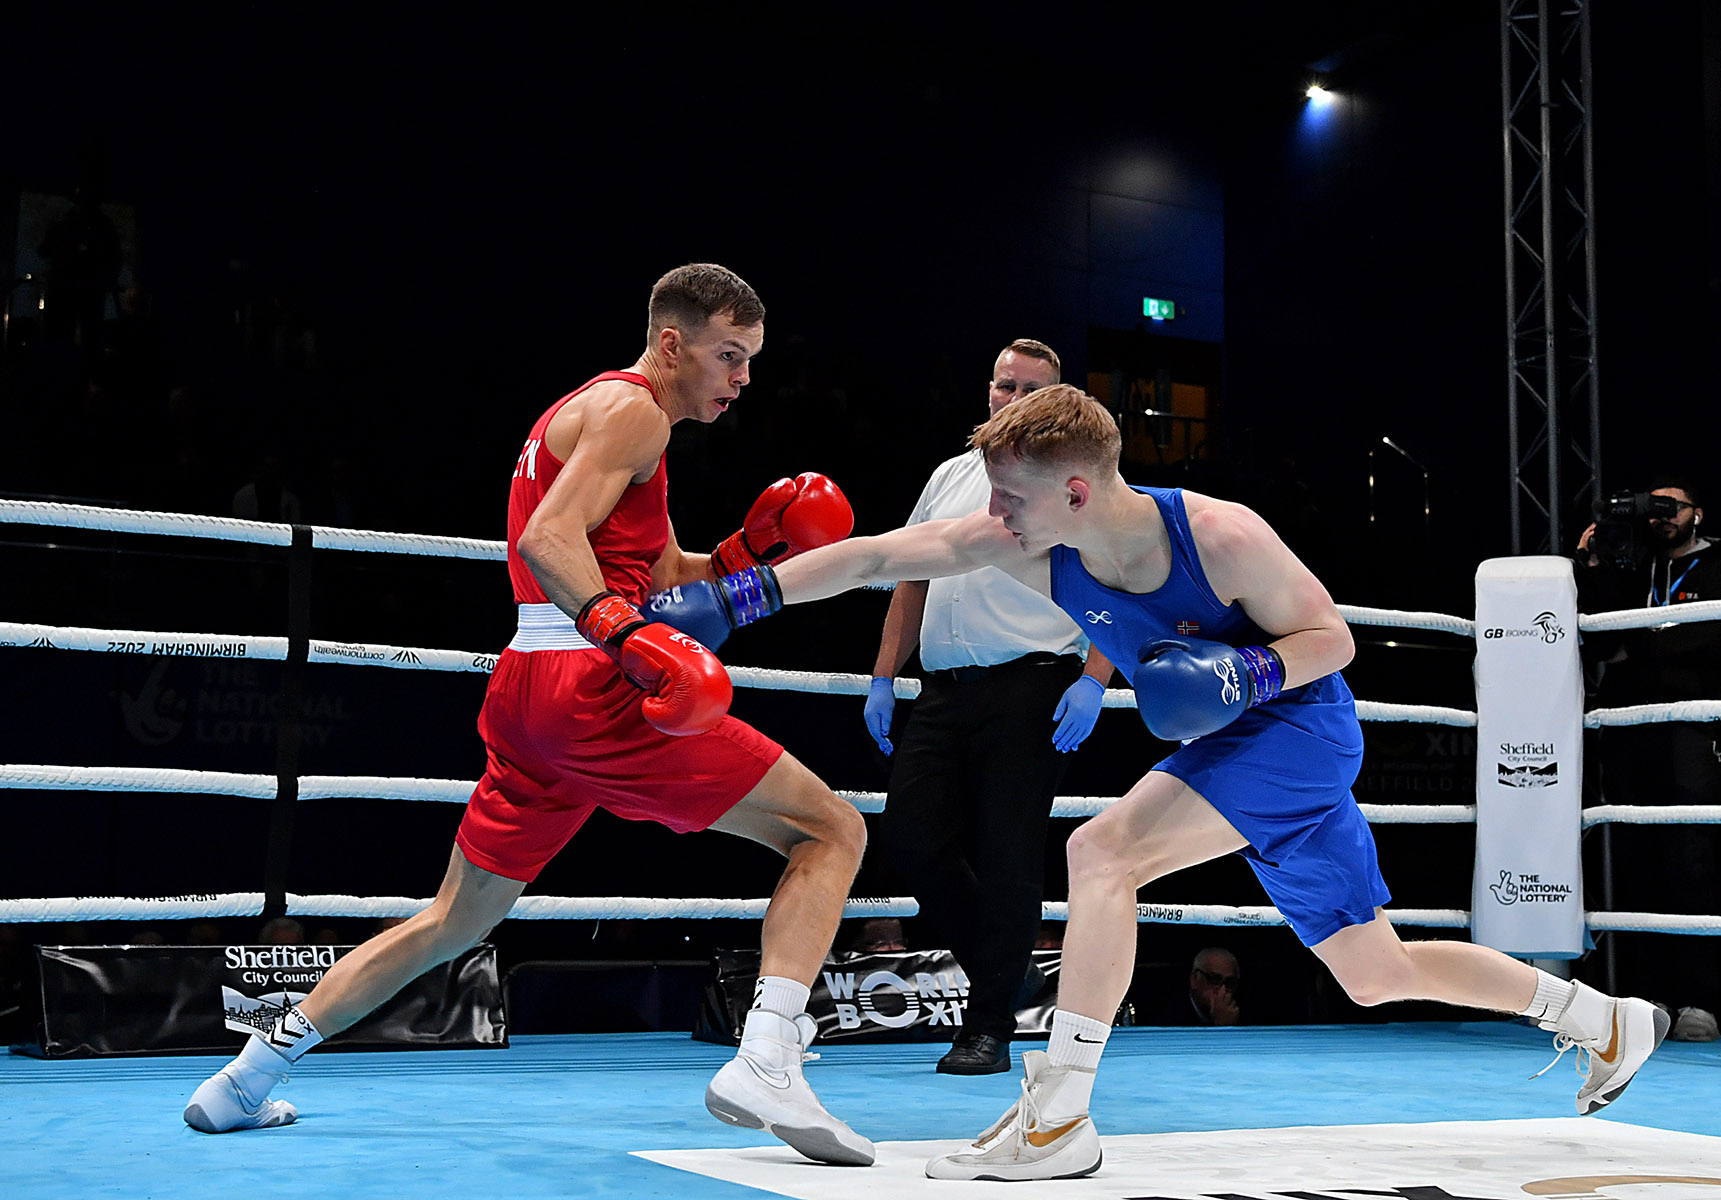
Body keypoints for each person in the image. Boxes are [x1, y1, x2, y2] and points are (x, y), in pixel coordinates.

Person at [647, 384, 1669, 1182]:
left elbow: (1333, 636)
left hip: (1297, 733)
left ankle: (1060, 1114)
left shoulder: (1220, 535)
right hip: (1249, 758)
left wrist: (1246, 669)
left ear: (1076, 490)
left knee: (1103, 851)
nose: (994, 511)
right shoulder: (1030, 548)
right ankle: (1600, 1019)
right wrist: (748, 595)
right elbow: (878, 554)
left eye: (1010, 492)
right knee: (1373, 969)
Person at [182, 263, 878, 1168]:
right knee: (831, 829)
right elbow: (544, 540)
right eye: (729, 355)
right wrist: (624, 639)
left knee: (453, 922)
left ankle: (242, 1081)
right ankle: (769, 1057)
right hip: (589, 686)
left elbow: (661, 576)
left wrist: (751, 548)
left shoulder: (613, 418)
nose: (744, 378)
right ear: (673, 343)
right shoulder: (630, 412)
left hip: (528, 690)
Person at [864, 339, 1115, 1076]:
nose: (1014, 398)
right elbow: (907, 572)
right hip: (942, 691)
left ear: (1056, 402)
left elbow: (1119, 585)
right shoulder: (949, 476)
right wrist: (884, 675)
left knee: (1009, 856)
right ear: (989, 390)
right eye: (1006, 384)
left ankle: (989, 1030)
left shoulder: (1077, 483)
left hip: (1033, 685)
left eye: (1031, 389)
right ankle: (1005, 983)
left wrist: (1096, 678)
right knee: (911, 838)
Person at [1575, 476, 1721, 1043]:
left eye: (1671, 507)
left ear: (1698, 513)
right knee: (1636, 861)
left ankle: (1699, 1000)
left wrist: (1643, 644)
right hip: (1631, 730)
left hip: (1691, 731)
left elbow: (1711, 640)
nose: (1660, 516)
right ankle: (1647, 999)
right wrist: (1592, 565)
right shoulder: (1637, 570)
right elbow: (1600, 639)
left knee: (1691, 863)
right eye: (1653, 508)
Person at [1185, 946, 1241, 1027]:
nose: (1223, 990)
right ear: (1194, 980)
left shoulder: (1244, 1014)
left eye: (1230, 983)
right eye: (1214, 980)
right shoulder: (1170, 1018)